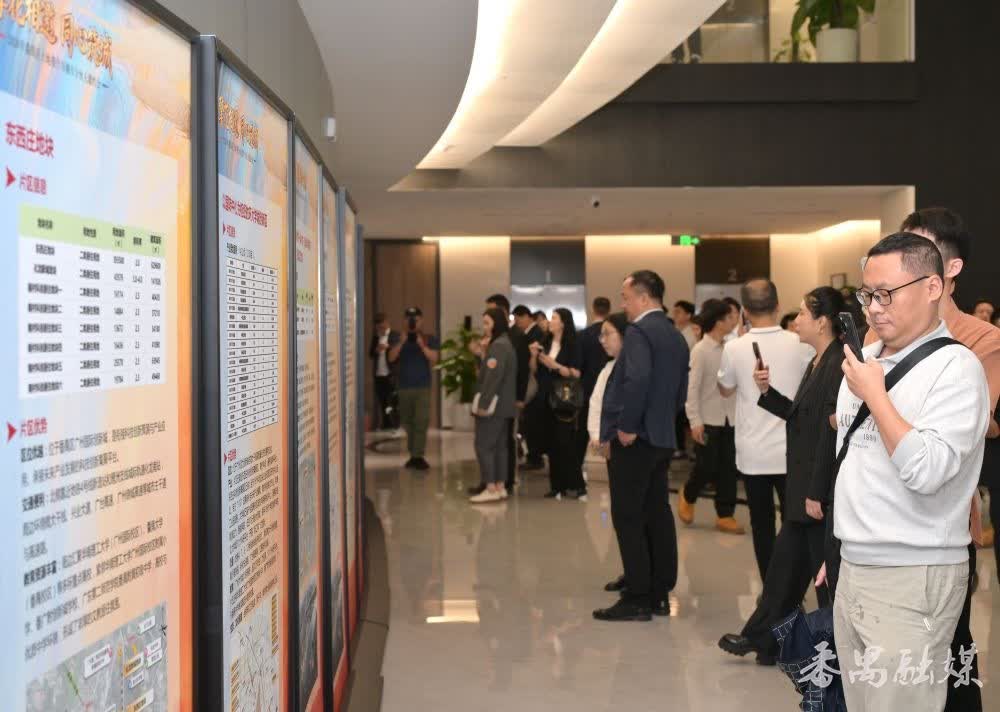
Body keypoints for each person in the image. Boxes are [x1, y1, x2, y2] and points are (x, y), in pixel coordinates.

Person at [832, 232, 988, 712]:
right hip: (854, 564)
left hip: (914, 572)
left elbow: (927, 471)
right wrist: (838, 545)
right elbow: (854, 463)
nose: (874, 308)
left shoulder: (956, 368)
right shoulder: (865, 362)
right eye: (867, 295)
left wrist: (875, 397)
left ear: (933, 287)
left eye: (886, 294)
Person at [893, 208, 1000, 712]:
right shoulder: (878, 331)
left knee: (949, 655)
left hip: (942, 526)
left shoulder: (981, 339)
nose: (903, 260)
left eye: (918, 250)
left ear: (950, 269)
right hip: (875, 521)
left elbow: (966, 427)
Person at [719, 287, 847, 665]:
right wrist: (767, 391)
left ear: (822, 323)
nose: (796, 321)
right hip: (802, 489)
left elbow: (829, 436)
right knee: (783, 573)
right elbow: (801, 417)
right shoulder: (818, 361)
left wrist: (816, 491)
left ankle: (835, 652)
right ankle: (763, 639)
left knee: (822, 582)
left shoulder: (837, 364)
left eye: (804, 314)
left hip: (815, 492)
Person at [593, 270, 688, 622]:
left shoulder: (639, 331)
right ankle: (659, 592)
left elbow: (637, 380)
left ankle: (637, 597)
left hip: (636, 439)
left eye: (626, 297)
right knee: (656, 513)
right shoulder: (675, 335)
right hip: (662, 436)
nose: (623, 304)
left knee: (628, 516)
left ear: (644, 298)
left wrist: (628, 426)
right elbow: (680, 390)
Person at [718, 279, 811, 582]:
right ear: (778, 305)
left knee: (762, 525)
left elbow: (725, 388)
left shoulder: (734, 347)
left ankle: (771, 591)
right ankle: (792, 590)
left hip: (753, 451)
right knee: (794, 523)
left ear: (744, 310)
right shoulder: (801, 343)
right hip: (793, 450)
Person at [678, 299, 743, 535]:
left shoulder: (732, 347)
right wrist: (694, 421)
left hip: (731, 418)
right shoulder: (700, 350)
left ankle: (725, 514)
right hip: (707, 419)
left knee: (728, 468)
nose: (733, 321)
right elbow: (692, 388)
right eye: (729, 317)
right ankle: (688, 494)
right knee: (706, 466)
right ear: (718, 322)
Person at [468, 295, 530, 497]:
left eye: (487, 323)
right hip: (504, 406)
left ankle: (490, 487)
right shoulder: (504, 343)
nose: (484, 328)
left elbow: (492, 378)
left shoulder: (498, 346)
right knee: (500, 447)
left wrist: (483, 404)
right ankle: (500, 486)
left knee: (484, 445)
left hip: (494, 406)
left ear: (496, 323)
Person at [588, 313, 630, 593]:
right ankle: (631, 569)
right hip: (611, 447)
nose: (602, 340)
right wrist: (597, 436)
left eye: (608, 334)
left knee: (631, 515)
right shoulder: (608, 368)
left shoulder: (633, 368)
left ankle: (640, 573)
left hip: (629, 448)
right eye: (601, 334)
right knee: (621, 514)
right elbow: (596, 404)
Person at [531, 308, 586, 500]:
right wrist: (534, 356)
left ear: (563, 322)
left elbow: (576, 373)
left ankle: (577, 485)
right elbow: (534, 370)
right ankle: (557, 486)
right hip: (545, 397)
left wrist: (554, 365)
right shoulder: (545, 342)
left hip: (564, 399)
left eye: (554, 318)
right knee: (551, 444)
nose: (550, 321)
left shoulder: (573, 344)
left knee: (565, 443)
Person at [388, 307, 440, 470]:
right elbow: (391, 357)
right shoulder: (396, 337)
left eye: (415, 320)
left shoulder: (428, 338)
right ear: (404, 321)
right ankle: (414, 455)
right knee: (407, 422)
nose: (412, 323)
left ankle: (418, 455)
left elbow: (435, 358)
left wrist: (422, 345)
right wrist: (401, 342)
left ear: (421, 321)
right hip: (404, 387)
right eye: (409, 319)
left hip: (422, 387)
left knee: (421, 421)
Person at [578, 297, 612, 472]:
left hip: (588, 385)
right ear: (609, 310)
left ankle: (587, 451)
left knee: (587, 424)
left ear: (593, 309)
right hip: (610, 386)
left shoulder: (584, 335)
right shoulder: (613, 334)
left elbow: (579, 364)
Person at [513, 304, 546, 470]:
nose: (517, 322)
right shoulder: (528, 333)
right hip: (530, 383)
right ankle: (532, 455)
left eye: (518, 319)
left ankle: (535, 457)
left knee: (533, 422)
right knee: (528, 422)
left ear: (526, 316)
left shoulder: (536, 334)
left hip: (535, 384)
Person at [369, 313, 400, 430]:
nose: (380, 329)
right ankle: (386, 424)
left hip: (391, 374)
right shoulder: (376, 337)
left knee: (393, 401)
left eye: (382, 326)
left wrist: (389, 348)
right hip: (379, 374)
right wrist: (377, 350)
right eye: (378, 327)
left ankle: (395, 424)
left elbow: (398, 354)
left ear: (387, 323)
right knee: (382, 401)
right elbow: (371, 354)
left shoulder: (394, 336)